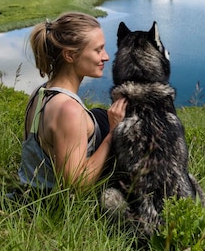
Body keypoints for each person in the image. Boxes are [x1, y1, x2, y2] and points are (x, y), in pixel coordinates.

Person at [18, 12, 127, 193]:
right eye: (98, 50)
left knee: (99, 115)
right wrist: (113, 134)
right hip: (49, 206)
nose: (106, 56)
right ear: (69, 55)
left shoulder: (40, 93)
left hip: (27, 192)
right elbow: (75, 186)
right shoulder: (69, 110)